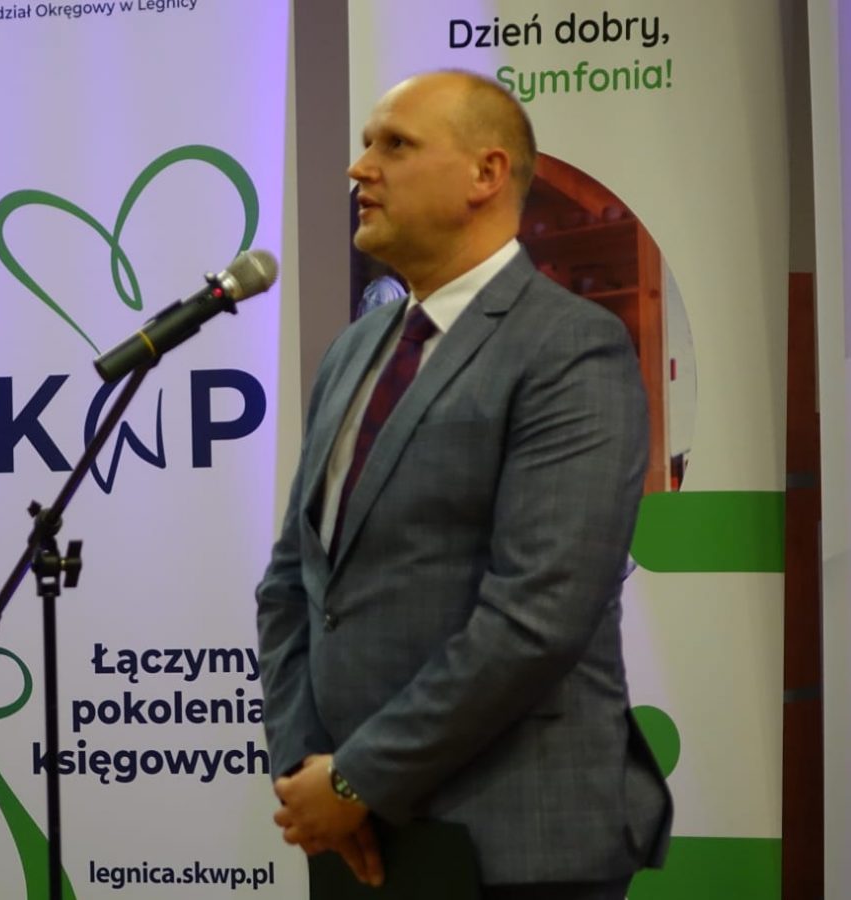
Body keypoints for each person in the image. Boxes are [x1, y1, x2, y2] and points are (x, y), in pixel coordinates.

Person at [255, 70, 672, 899]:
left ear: (486, 173)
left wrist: (359, 777)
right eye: (366, 143)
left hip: (513, 842)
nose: (359, 168)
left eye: (394, 144)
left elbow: (539, 615)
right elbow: (293, 584)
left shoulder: (570, 347)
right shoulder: (354, 350)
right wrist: (309, 768)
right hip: (356, 837)